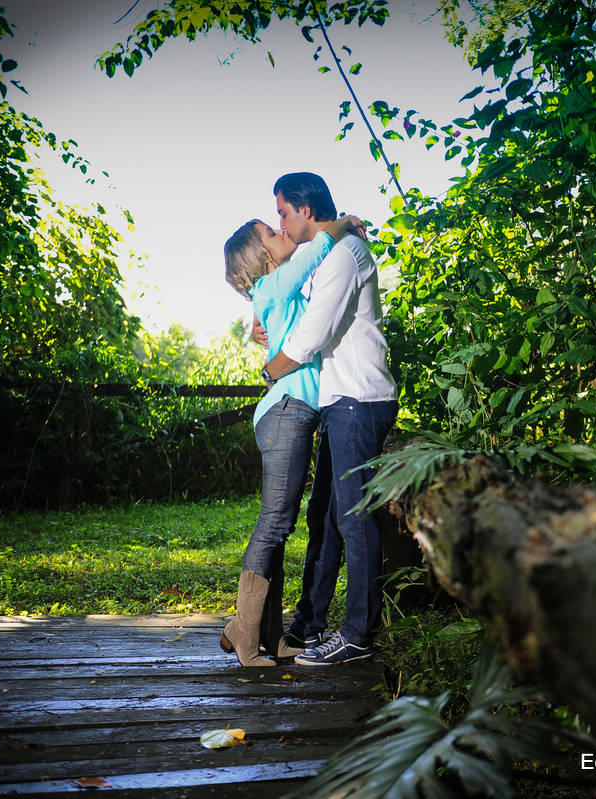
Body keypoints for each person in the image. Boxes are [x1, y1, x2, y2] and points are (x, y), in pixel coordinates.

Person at [257, 171, 398, 667]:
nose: (279, 221)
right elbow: (300, 309)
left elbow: (312, 334)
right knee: (328, 517)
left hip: (359, 400)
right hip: (341, 402)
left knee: (352, 519)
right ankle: (309, 625)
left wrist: (273, 367)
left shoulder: (344, 255)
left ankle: (358, 634)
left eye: (281, 212)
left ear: (305, 209)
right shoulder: (327, 256)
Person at [220, 211, 360, 667]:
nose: (282, 233)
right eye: (271, 233)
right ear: (262, 256)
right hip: (286, 412)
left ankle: (271, 636)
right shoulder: (276, 286)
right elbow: (318, 248)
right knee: (274, 523)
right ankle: (244, 633)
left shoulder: (278, 292)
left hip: (291, 413)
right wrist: (343, 222)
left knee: (280, 528)